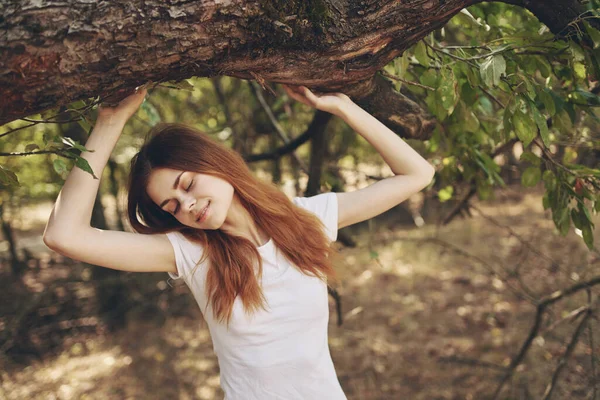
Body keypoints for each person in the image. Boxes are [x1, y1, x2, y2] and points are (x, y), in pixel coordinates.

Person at [43, 83, 435, 399]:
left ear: (214, 163)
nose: (188, 204)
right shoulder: (192, 252)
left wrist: (344, 108)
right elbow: (64, 235)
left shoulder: (306, 220)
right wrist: (111, 122)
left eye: (187, 184)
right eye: (172, 205)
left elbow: (416, 174)